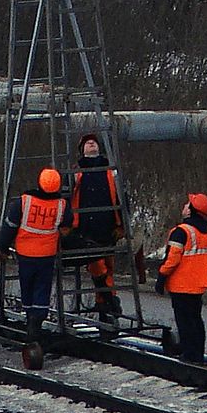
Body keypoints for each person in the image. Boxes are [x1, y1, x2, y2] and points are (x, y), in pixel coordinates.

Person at [0, 167, 72, 344]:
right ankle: (36, 322)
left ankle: (30, 318)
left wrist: (2, 248)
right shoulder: (62, 205)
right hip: (47, 255)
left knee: (27, 286)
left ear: (39, 183)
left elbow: (9, 227)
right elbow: (67, 227)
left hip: (26, 254)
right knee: (42, 288)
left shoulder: (23, 202)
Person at [65, 132, 124, 320]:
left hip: (107, 227)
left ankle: (104, 307)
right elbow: (66, 198)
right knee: (97, 265)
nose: (92, 144)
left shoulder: (110, 171)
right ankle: (110, 300)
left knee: (108, 266)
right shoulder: (76, 172)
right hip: (85, 229)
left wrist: (122, 223)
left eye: (94, 142)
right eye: (87, 143)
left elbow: (122, 199)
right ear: (82, 150)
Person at [156, 191, 207, 362]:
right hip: (198, 284)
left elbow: (172, 259)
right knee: (195, 319)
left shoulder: (181, 232)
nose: (184, 206)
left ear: (191, 211)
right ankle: (197, 354)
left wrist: (161, 277)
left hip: (181, 284)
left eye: (188, 204)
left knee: (184, 321)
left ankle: (188, 356)